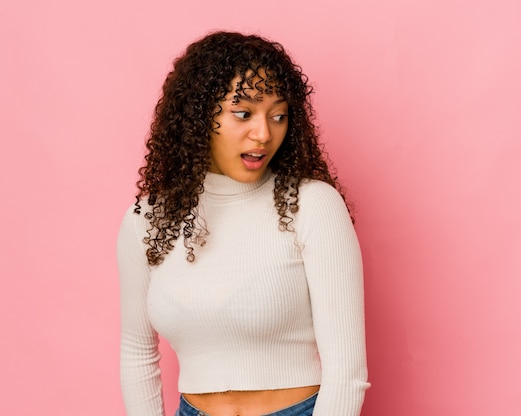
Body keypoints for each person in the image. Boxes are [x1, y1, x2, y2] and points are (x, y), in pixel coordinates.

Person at [117, 31, 370, 416]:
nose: (264, 134)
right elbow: (136, 353)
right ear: (199, 115)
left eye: (279, 115)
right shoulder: (149, 217)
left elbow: (346, 372)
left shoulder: (311, 205)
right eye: (243, 113)